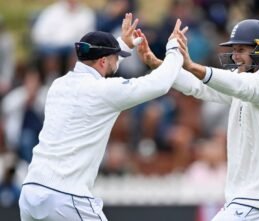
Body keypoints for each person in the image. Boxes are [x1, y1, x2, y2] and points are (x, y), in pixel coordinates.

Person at [19, 13, 187, 221]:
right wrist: (173, 51)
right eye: (116, 57)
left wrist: (121, 45)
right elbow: (160, 84)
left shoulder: (58, 85)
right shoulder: (104, 91)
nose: (118, 62)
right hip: (66, 196)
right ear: (102, 61)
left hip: (31, 192)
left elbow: (98, 61)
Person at [137, 19, 259, 220]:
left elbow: (241, 85)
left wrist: (191, 65)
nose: (235, 56)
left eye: (241, 49)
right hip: (255, 196)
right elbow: (201, 86)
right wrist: (159, 65)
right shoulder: (245, 79)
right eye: (234, 49)